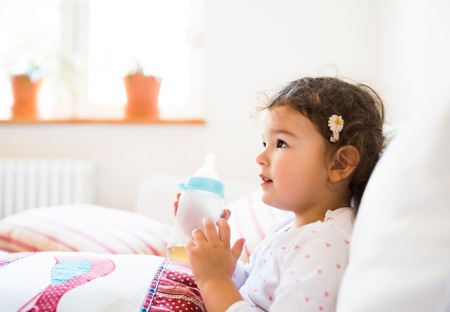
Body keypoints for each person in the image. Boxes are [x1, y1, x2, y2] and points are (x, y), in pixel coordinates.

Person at [184, 76, 386, 311]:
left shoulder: (324, 246)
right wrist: (225, 267)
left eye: (280, 143)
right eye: (264, 143)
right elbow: (256, 288)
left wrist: (214, 281)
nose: (260, 158)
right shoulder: (290, 227)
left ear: (339, 163)